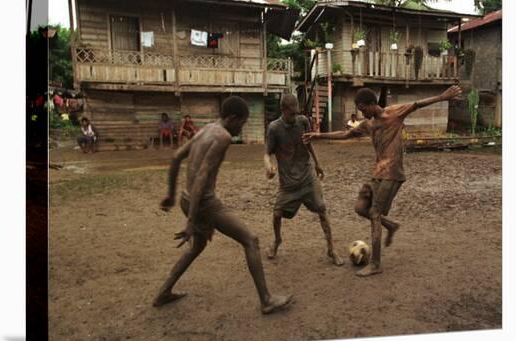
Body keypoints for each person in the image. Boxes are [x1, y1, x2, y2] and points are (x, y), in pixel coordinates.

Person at [303, 85, 462, 277]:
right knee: (360, 208)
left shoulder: (394, 113)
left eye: (363, 108)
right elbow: (345, 134)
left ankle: (376, 264)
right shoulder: (368, 124)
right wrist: (319, 135)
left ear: (372, 104)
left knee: (375, 213)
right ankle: (391, 225)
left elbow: (418, 104)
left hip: (393, 173)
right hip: (377, 173)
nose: (362, 112)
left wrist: (442, 97)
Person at [155, 96, 292, 314]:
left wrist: (171, 195)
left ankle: (163, 292)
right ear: (232, 118)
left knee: (197, 247)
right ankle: (266, 300)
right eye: (242, 123)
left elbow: (176, 156)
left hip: (186, 198)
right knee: (251, 240)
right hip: (204, 204)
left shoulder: (208, 128)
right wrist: (191, 221)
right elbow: (202, 176)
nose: (242, 128)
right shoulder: (223, 137)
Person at [264, 94, 343, 265]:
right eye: (292, 114)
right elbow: (266, 153)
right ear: (283, 110)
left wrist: (317, 163)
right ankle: (277, 241)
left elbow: (308, 144)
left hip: (307, 176)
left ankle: (331, 249)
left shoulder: (302, 121)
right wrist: (269, 167)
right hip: (288, 183)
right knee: (277, 213)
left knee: (322, 209)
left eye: (296, 112)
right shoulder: (274, 128)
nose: (295, 117)